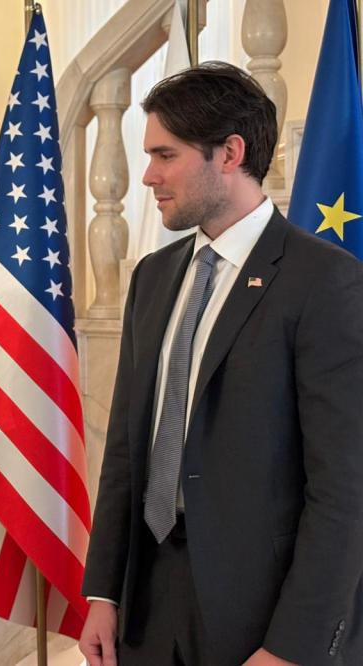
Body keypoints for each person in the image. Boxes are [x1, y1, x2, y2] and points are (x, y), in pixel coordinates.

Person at [78, 61, 363, 666]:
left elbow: (345, 487)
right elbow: (126, 452)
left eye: (165, 155)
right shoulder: (152, 277)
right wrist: (103, 590)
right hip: (146, 607)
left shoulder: (325, 281)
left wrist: (293, 646)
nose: (148, 176)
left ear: (230, 153)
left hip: (261, 616)